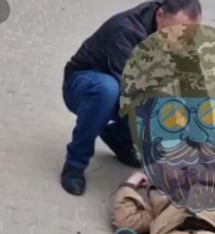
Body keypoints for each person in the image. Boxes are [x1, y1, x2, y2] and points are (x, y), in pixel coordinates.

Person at [61, 0, 202, 196]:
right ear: (160, 15)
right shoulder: (126, 30)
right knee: (109, 91)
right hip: (84, 86)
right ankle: (75, 163)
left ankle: (119, 137)